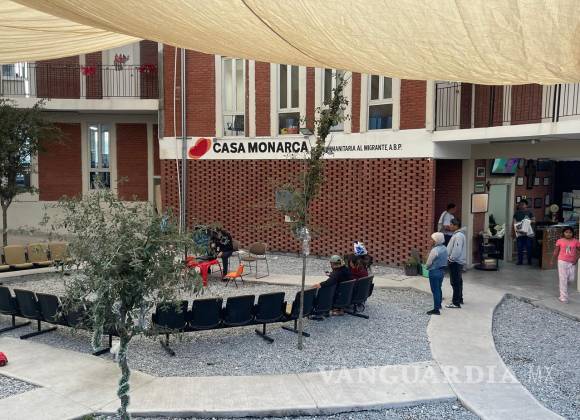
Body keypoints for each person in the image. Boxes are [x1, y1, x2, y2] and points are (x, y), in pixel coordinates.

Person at [551, 227, 580, 303]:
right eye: (566, 232)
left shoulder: (576, 241)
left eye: (570, 232)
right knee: (563, 279)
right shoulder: (560, 241)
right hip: (562, 261)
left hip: (572, 262)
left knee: (571, 279)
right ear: (563, 233)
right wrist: (552, 260)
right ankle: (563, 297)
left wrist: (576, 259)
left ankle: (563, 287)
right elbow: (556, 251)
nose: (568, 234)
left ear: (572, 233)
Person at [425, 232, 448, 315]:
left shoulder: (435, 250)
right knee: (439, 288)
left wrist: (427, 267)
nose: (430, 240)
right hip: (442, 271)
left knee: (435, 290)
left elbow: (428, 262)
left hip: (434, 271)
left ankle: (436, 309)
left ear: (436, 240)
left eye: (432, 239)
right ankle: (439, 304)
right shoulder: (445, 248)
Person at [446, 218, 466, 308]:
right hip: (457, 261)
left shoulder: (458, 236)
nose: (449, 226)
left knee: (455, 282)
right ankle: (459, 299)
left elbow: (457, 250)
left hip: (456, 262)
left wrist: (451, 259)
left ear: (456, 225)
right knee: (458, 281)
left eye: (451, 224)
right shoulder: (459, 235)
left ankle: (455, 302)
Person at [513, 200, 535, 265]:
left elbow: (534, 220)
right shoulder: (516, 213)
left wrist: (527, 221)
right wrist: (514, 231)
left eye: (523, 204)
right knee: (519, 247)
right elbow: (514, 222)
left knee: (529, 247)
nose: (521, 206)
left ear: (526, 205)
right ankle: (520, 261)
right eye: (520, 204)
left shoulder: (530, 212)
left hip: (528, 233)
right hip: (520, 233)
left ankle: (529, 261)